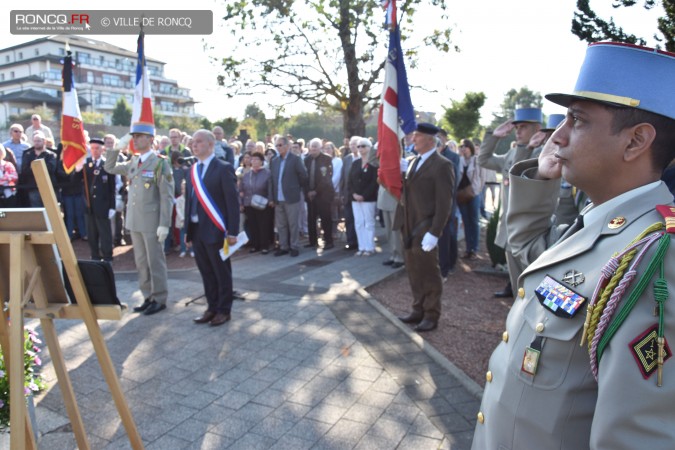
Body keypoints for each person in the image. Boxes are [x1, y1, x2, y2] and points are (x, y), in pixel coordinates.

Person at [473, 42, 675, 449]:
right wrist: (539, 181)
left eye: (577, 121)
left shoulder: (656, 255)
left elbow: (634, 438)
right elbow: (528, 267)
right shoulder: (603, 221)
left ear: (635, 142)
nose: (557, 138)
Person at [104, 123, 174, 316]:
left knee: (155, 261)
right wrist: (117, 148)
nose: (135, 140)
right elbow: (109, 167)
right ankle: (148, 296)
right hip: (135, 221)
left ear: (151, 140)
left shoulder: (160, 163)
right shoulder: (134, 161)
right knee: (141, 261)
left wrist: (164, 224)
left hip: (152, 222)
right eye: (133, 137)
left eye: (139, 136)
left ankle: (159, 298)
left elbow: (166, 196)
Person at [394, 123, 454, 332]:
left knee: (429, 272)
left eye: (417, 136)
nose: (413, 139)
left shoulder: (442, 165)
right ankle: (417, 308)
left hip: (426, 226)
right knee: (413, 270)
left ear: (430, 139)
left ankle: (431, 314)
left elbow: (444, 202)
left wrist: (435, 232)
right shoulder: (413, 162)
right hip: (409, 225)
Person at [478, 107, 543, 298]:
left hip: (529, 232)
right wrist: (494, 137)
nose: (518, 131)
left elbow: (522, 179)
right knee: (517, 285)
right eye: (517, 128)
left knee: (530, 287)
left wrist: (527, 149)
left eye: (523, 127)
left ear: (537, 128)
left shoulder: (542, 154)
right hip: (509, 228)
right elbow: (483, 160)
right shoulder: (512, 153)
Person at [185, 130, 240, 327]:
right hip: (197, 229)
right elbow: (189, 202)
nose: (194, 145)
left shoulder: (223, 168)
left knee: (220, 271)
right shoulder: (192, 170)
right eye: (193, 142)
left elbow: (232, 203)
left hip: (216, 230)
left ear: (210, 145)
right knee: (206, 271)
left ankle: (224, 310)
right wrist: (187, 231)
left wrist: (232, 231)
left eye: (198, 142)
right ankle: (212, 307)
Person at [268, 135, 308, 257]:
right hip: (278, 198)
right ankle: (283, 246)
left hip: (291, 197)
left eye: (280, 145)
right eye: (276, 146)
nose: (278, 148)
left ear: (287, 146)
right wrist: (271, 198)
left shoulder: (295, 159)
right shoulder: (274, 161)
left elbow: (303, 176)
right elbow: (271, 181)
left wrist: (296, 188)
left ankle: (294, 246)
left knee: (293, 224)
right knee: (281, 225)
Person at [81, 138, 116, 262]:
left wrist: (112, 206)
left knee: (105, 233)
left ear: (102, 150)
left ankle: (107, 256)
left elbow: (112, 188)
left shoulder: (107, 164)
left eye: (97, 148)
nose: (95, 151)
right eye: (93, 148)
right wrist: (77, 168)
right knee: (92, 233)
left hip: (103, 205)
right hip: (89, 205)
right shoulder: (85, 164)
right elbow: (76, 182)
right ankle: (95, 255)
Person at [457, 139, 487, 259]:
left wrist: (476, 191)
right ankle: (468, 248)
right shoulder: (459, 160)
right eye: (461, 146)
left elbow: (482, 178)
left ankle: (474, 249)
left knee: (474, 222)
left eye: (465, 146)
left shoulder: (477, 160)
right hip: (461, 195)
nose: (463, 148)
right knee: (465, 222)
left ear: (470, 148)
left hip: (474, 194)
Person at [348, 138, 379, 255]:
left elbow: (374, 182)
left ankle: (370, 247)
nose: (360, 148)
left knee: (369, 222)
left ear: (369, 148)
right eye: (359, 146)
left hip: (368, 198)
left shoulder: (374, 163)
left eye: (363, 146)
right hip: (355, 199)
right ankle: (362, 247)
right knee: (359, 222)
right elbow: (350, 180)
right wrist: (354, 194)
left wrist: (364, 196)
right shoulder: (355, 163)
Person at [240, 151, 273, 253]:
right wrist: (241, 203)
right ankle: (255, 245)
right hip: (249, 203)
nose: (254, 161)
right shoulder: (246, 175)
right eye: (252, 159)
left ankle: (264, 246)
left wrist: (271, 200)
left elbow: (271, 188)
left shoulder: (267, 173)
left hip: (263, 204)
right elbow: (241, 190)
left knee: (263, 225)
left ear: (262, 161)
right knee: (252, 225)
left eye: (256, 159)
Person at [304, 138, 335, 250]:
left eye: (315, 147)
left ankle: (329, 241)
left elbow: (326, 178)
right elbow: (304, 177)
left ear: (320, 148)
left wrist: (315, 191)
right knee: (311, 219)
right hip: (310, 195)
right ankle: (312, 241)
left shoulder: (326, 159)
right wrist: (308, 191)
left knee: (325, 219)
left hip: (323, 195)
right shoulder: (306, 160)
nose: (313, 149)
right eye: (312, 147)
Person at [20, 131, 57, 207]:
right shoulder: (28, 155)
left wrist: (33, 167)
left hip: (48, 187)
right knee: (37, 211)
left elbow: (51, 169)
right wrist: (40, 168)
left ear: (44, 141)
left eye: (39, 141)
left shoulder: (51, 155)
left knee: (50, 209)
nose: (36, 143)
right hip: (33, 187)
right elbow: (25, 170)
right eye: (35, 141)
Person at [340, 136, 361, 250]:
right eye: (351, 144)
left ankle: (361, 241)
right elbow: (343, 177)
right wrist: (342, 194)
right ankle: (351, 241)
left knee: (359, 220)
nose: (353, 146)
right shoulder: (347, 158)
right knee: (349, 219)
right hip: (348, 195)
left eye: (355, 144)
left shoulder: (363, 159)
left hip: (359, 195)